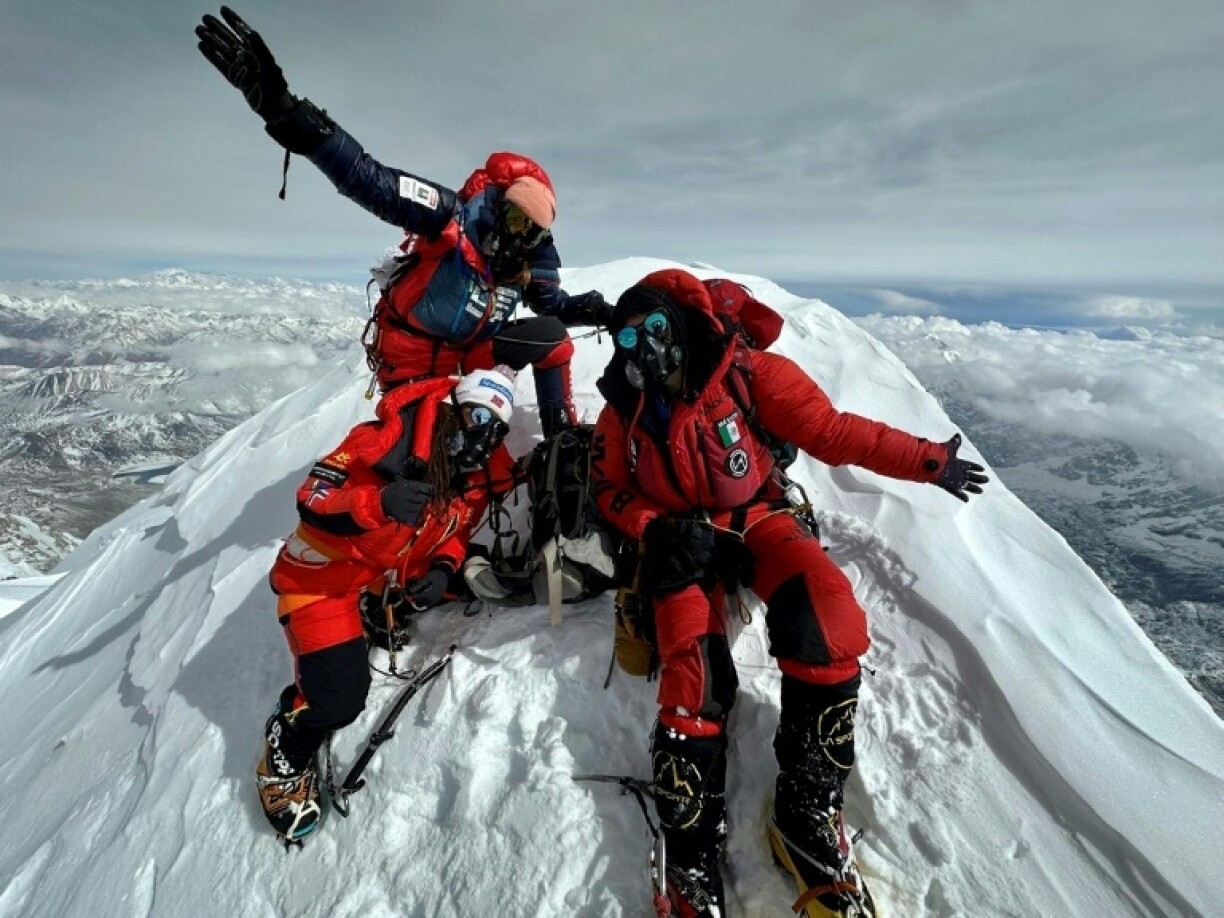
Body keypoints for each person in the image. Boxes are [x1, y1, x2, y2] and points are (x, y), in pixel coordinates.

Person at [589, 270, 989, 917]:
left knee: (826, 619)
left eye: (656, 328)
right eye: (629, 335)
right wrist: (653, 528)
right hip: (681, 543)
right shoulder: (622, 412)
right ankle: (691, 853)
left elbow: (835, 433)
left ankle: (806, 810)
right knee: (695, 675)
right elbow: (607, 489)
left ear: (684, 325)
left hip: (760, 519)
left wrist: (928, 461)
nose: (644, 346)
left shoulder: (747, 377)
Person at [195, 7, 610, 435]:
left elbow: (552, 308)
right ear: (498, 202)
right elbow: (369, 179)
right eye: (514, 216)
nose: (520, 233)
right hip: (412, 361)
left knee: (553, 341)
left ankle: (562, 443)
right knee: (422, 450)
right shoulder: (449, 216)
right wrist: (288, 114)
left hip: (470, 357)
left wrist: (604, 312)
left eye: (533, 227)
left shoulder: (531, 257)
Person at [257, 367, 522, 841]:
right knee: (339, 700)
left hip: (376, 576)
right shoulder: (383, 442)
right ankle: (284, 754)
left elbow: (455, 533)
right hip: (318, 580)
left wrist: (441, 569)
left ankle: (374, 616)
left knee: (465, 579)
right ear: (451, 409)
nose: (483, 434)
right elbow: (313, 498)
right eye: (477, 415)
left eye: (496, 427)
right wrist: (377, 503)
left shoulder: (465, 476)